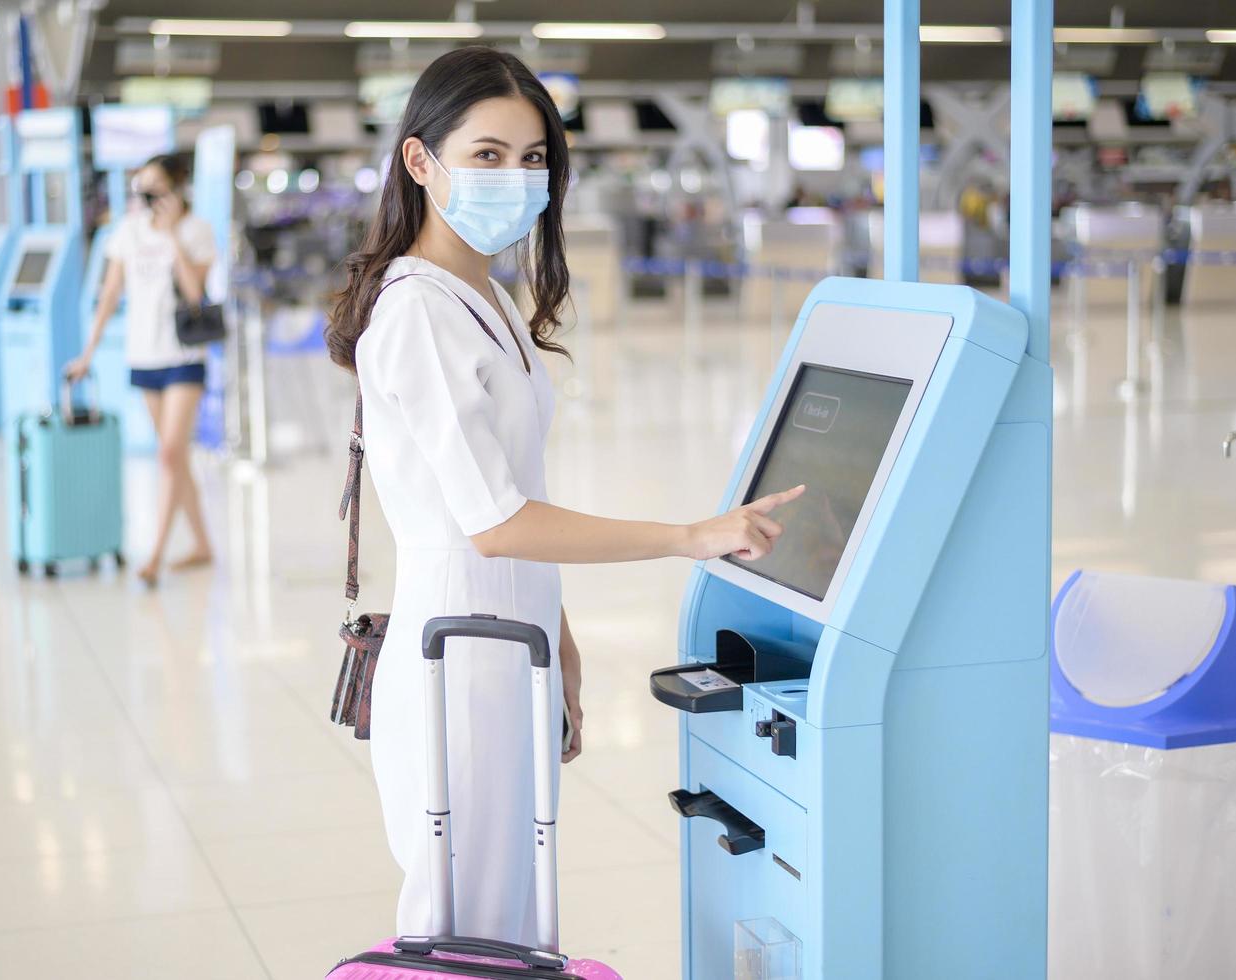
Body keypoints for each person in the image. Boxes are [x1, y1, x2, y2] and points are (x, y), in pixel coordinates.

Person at [325, 46, 805, 947]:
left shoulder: (487, 296)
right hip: (455, 657)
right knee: (463, 924)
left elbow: (517, 495)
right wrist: (689, 535)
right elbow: (496, 525)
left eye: (533, 157)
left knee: (512, 914)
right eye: (488, 155)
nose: (516, 177)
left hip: (508, 637)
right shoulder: (418, 312)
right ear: (420, 162)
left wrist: (561, 639)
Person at [68, 154, 218, 586]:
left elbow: (196, 295)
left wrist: (172, 237)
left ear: (176, 190)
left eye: (155, 190)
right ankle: (203, 544)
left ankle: (154, 554)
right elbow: (111, 292)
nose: (146, 198)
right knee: (175, 459)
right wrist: (88, 352)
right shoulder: (127, 232)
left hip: (184, 357)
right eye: (141, 190)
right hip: (143, 355)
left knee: (169, 453)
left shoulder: (197, 231)